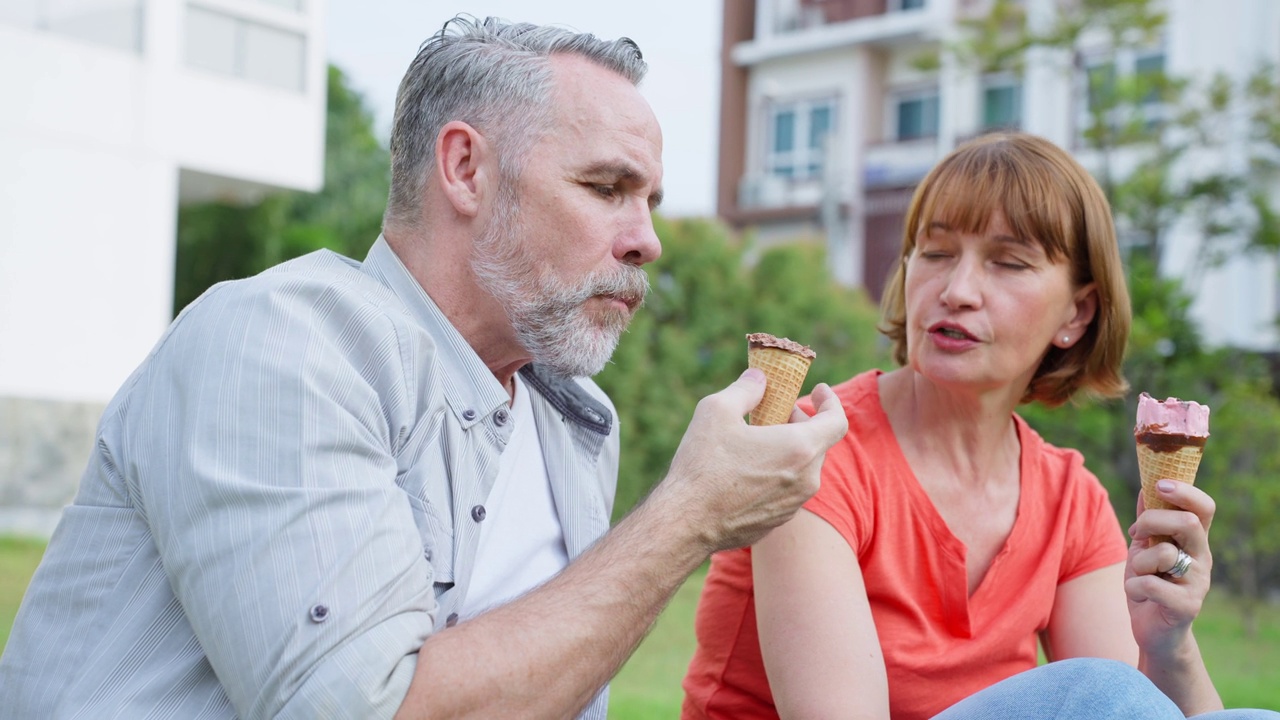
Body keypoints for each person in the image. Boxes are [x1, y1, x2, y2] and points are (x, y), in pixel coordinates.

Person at [0, 16, 849, 720]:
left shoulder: (577, 419)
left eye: (650, 200)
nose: (648, 239)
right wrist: (689, 515)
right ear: (465, 168)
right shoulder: (280, 344)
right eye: (605, 187)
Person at [681, 132, 1280, 719]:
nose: (957, 290)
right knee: (1098, 692)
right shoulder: (811, 448)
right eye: (936, 253)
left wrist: (1167, 643)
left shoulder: (1069, 500)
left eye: (1008, 262)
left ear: (1077, 312)